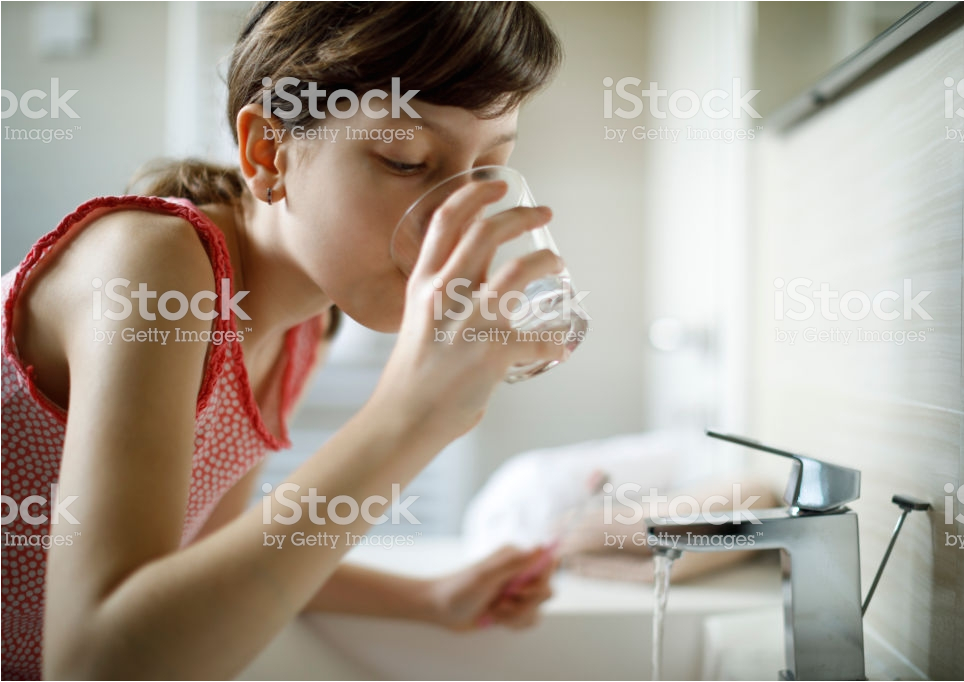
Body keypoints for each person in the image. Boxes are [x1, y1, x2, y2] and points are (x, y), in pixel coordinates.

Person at [1, 2, 567, 678]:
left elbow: (207, 561)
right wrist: (408, 418)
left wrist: (427, 598)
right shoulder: (154, 268)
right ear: (268, 151)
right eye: (406, 159)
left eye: (485, 173)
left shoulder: (306, 326)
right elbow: (95, 664)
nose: (455, 219)